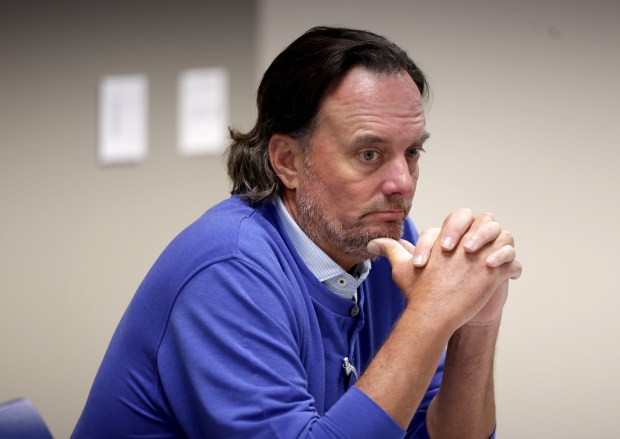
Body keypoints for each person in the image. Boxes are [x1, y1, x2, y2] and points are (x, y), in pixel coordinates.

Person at [72, 26, 521, 438]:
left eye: (413, 152)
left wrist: (477, 319)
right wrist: (430, 316)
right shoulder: (229, 269)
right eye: (369, 153)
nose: (402, 182)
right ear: (287, 160)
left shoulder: (386, 243)